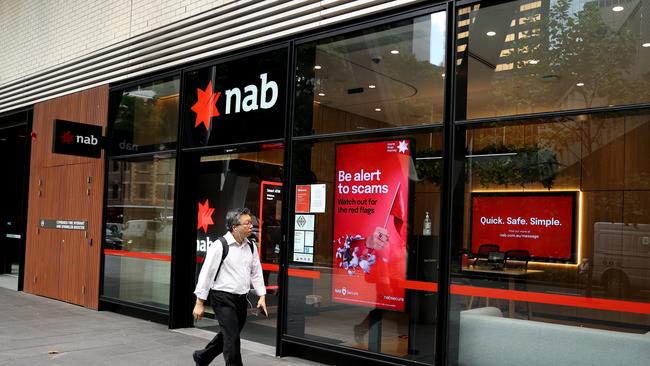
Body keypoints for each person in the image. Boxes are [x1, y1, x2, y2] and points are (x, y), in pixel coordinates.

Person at [192, 208, 267, 366]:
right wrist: (200, 303)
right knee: (232, 340)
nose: (251, 226)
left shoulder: (251, 246)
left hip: (241, 300)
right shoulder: (220, 246)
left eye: (251, 222)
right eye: (247, 223)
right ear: (234, 226)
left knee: (228, 334)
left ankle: (202, 357)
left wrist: (262, 296)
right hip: (222, 299)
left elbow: (256, 272)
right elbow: (206, 274)